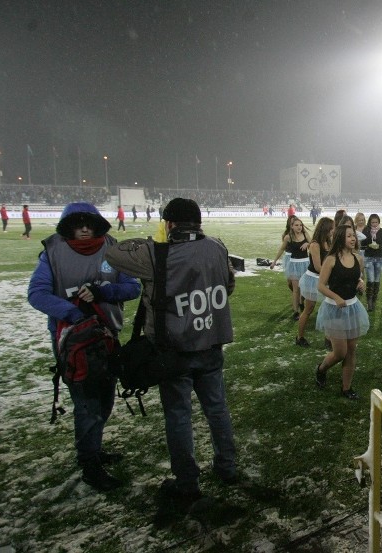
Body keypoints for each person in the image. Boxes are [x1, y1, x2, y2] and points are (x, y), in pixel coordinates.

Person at [104, 197, 237, 500]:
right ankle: (227, 466)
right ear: (199, 222)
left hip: (174, 350)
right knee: (217, 409)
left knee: (178, 416)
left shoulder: (156, 253)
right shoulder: (217, 246)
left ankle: (187, 482)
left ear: (169, 223)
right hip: (211, 344)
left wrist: (156, 239)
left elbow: (114, 254)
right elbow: (228, 287)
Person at [28, 202, 140, 491]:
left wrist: (104, 291)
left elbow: (133, 287)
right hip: (72, 341)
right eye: (78, 224)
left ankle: (93, 449)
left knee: (104, 400)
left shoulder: (112, 249)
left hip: (108, 336)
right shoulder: (52, 253)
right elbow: (37, 294)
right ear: (68, 227)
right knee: (86, 402)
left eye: (89, 222)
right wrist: (75, 315)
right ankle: (89, 463)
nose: (85, 228)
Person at [314, 224, 370, 399]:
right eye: (349, 236)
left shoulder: (358, 258)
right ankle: (321, 369)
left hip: (352, 308)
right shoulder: (331, 259)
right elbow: (321, 286)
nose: (353, 239)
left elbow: (356, 277)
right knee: (340, 352)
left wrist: (361, 283)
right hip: (334, 309)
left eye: (354, 236)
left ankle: (346, 388)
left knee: (352, 350)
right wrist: (336, 297)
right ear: (340, 238)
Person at [296, 217, 334, 347]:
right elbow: (318, 267)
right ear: (325, 229)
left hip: (324, 278)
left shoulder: (329, 242)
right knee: (309, 309)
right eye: (331, 229)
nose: (333, 231)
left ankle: (328, 338)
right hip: (313, 279)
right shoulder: (315, 244)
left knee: (329, 309)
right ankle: (299, 337)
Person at [271, 216, 310, 321]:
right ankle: (295, 311)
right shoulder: (288, 237)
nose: (299, 227)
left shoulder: (306, 235)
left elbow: (314, 245)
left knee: (303, 288)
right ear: (292, 226)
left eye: (300, 225)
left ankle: (301, 302)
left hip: (306, 264)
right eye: (296, 225)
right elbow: (282, 249)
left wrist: (308, 243)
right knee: (295, 290)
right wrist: (274, 261)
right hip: (294, 265)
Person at [360, 213, 382, 311]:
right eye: (373, 222)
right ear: (369, 222)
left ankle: (374, 301)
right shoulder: (366, 231)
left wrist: (379, 246)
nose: (375, 224)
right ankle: (369, 302)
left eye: (376, 222)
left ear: (379, 222)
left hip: (379, 258)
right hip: (369, 258)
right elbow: (362, 245)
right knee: (370, 280)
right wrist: (368, 245)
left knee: (377, 280)